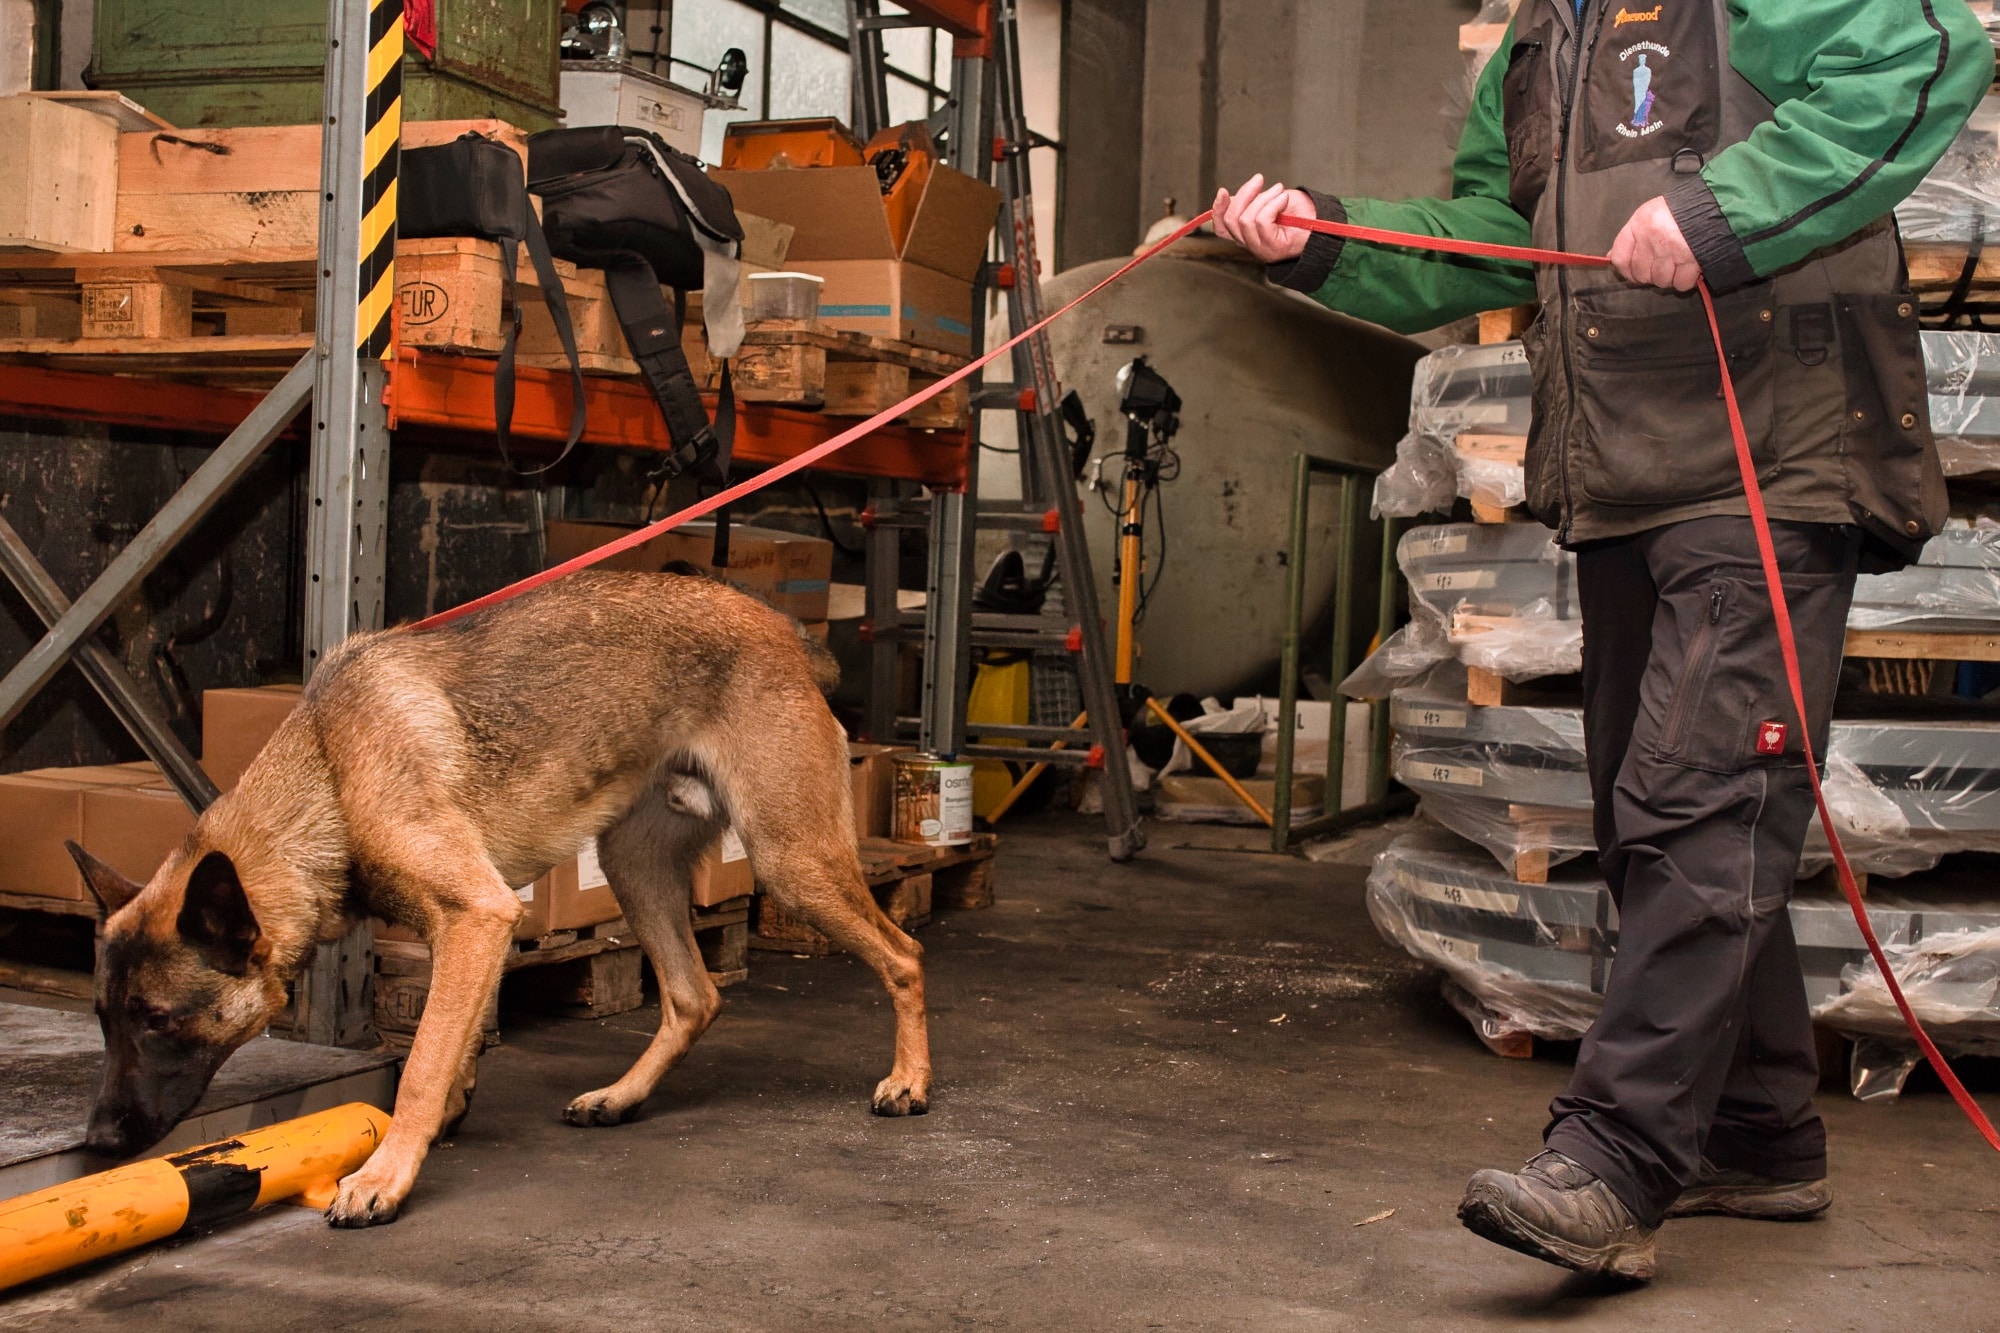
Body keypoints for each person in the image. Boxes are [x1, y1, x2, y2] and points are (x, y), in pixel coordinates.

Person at [1213, 0, 1991, 1283]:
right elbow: (1493, 241)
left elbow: (1921, 55)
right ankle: (1760, 1130)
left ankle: (1617, 1160)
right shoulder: (1539, 38)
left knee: (1699, 793)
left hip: (1766, 457)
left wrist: (1716, 210)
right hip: (1623, 469)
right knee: (1660, 812)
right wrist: (1318, 241)